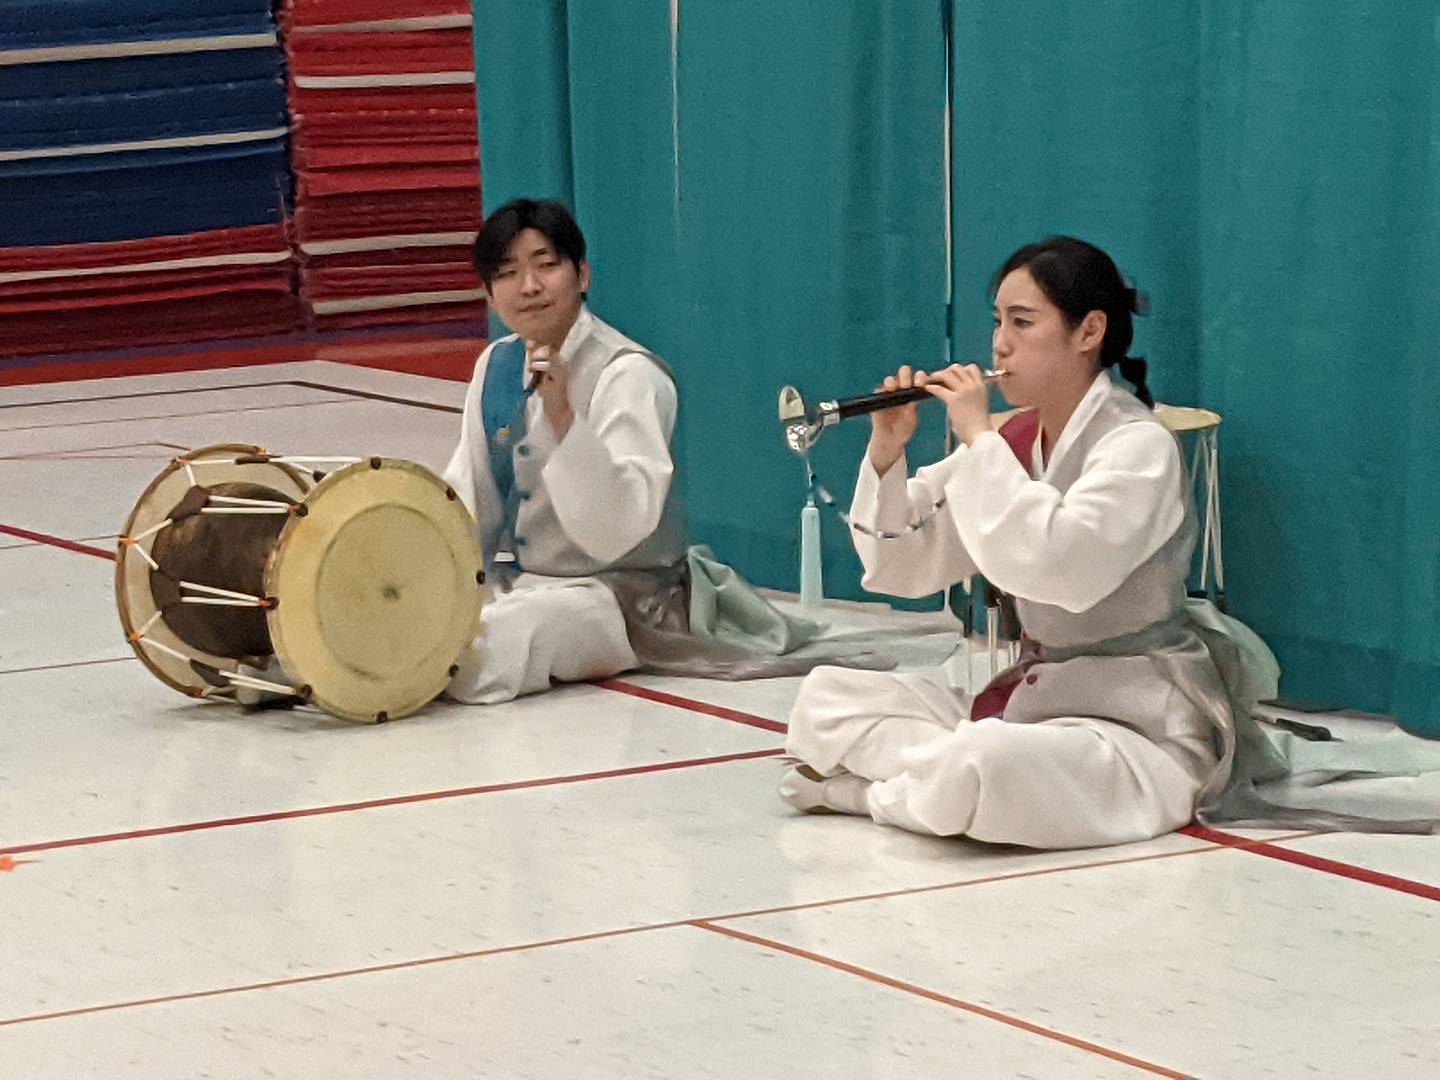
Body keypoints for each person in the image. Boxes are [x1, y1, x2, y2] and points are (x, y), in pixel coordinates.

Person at [779, 236, 1236, 848]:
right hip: (1034, 702)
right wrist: (888, 450)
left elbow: (1060, 569)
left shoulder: (1137, 447)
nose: (998, 344)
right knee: (826, 699)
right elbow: (904, 569)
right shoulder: (1010, 442)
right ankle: (934, 781)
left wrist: (978, 438)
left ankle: (859, 793)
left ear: (1089, 331)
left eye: (1022, 322)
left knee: (987, 762)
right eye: (997, 321)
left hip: (1133, 719)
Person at [444, 198, 888, 704]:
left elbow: (620, 527)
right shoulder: (495, 365)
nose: (529, 286)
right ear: (489, 294)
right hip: (522, 583)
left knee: (500, 641)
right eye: (508, 273)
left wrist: (565, 418)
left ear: (582, 275)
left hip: (621, 596)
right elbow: (468, 495)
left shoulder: (630, 373)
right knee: (430, 619)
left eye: (547, 266)